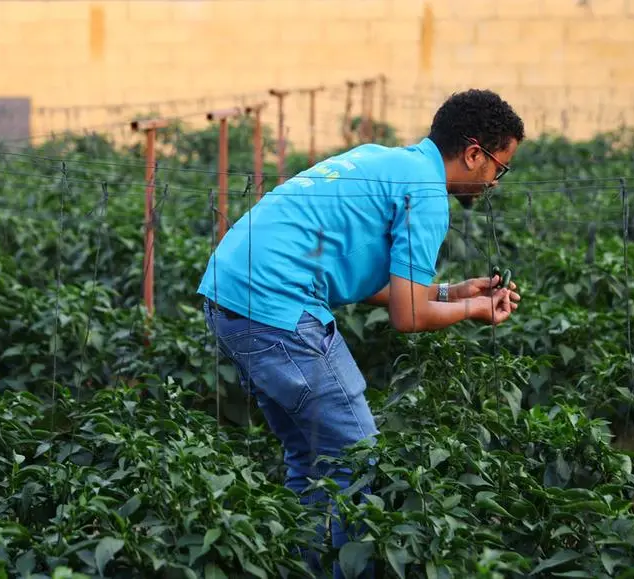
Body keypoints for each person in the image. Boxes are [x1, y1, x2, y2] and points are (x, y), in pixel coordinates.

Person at [198, 89, 524, 577]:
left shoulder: (384, 160)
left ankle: (300, 567)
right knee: (361, 458)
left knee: (310, 460)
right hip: (276, 307)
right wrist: (476, 308)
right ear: (474, 153)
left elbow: (376, 282)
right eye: (499, 168)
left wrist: (453, 293)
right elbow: (407, 316)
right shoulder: (429, 195)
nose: (495, 181)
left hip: (230, 294)